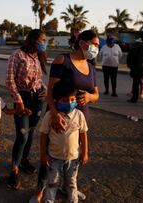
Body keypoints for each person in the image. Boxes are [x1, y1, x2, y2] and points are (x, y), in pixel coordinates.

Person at [31, 29, 99, 202]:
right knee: (49, 156)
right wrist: (53, 113)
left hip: (79, 117)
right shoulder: (63, 60)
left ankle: (69, 188)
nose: (97, 48)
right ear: (83, 43)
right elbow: (50, 91)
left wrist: (90, 97)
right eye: (95, 44)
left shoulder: (91, 67)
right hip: (58, 115)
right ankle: (40, 190)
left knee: (71, 155)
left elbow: (95, 93)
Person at [6, 29, 48, 190]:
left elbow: (38, 79)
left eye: (45, 40)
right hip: (22, 99)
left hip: (37, 99)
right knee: (22, 134)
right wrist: (18, 101)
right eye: (41, 40)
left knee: (31, 131)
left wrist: (43, 89)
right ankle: (14, 169)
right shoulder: (17, 55)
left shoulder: (38, 56)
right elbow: (10, 80)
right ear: (32, 40)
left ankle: (24, 160)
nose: (44, 42)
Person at [40, 80, 88, 203]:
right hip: (54, 157)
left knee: (71, 182)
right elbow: (43, 135)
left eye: (72, 100)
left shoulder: (79, 115)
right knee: (52, 182)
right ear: (56, 101)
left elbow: (83, 134)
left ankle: (73, 199)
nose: (70, 103)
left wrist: (85, 153)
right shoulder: (50, 116)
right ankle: (49, 200)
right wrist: (43, 154)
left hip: (73, 158)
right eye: (65, 100)